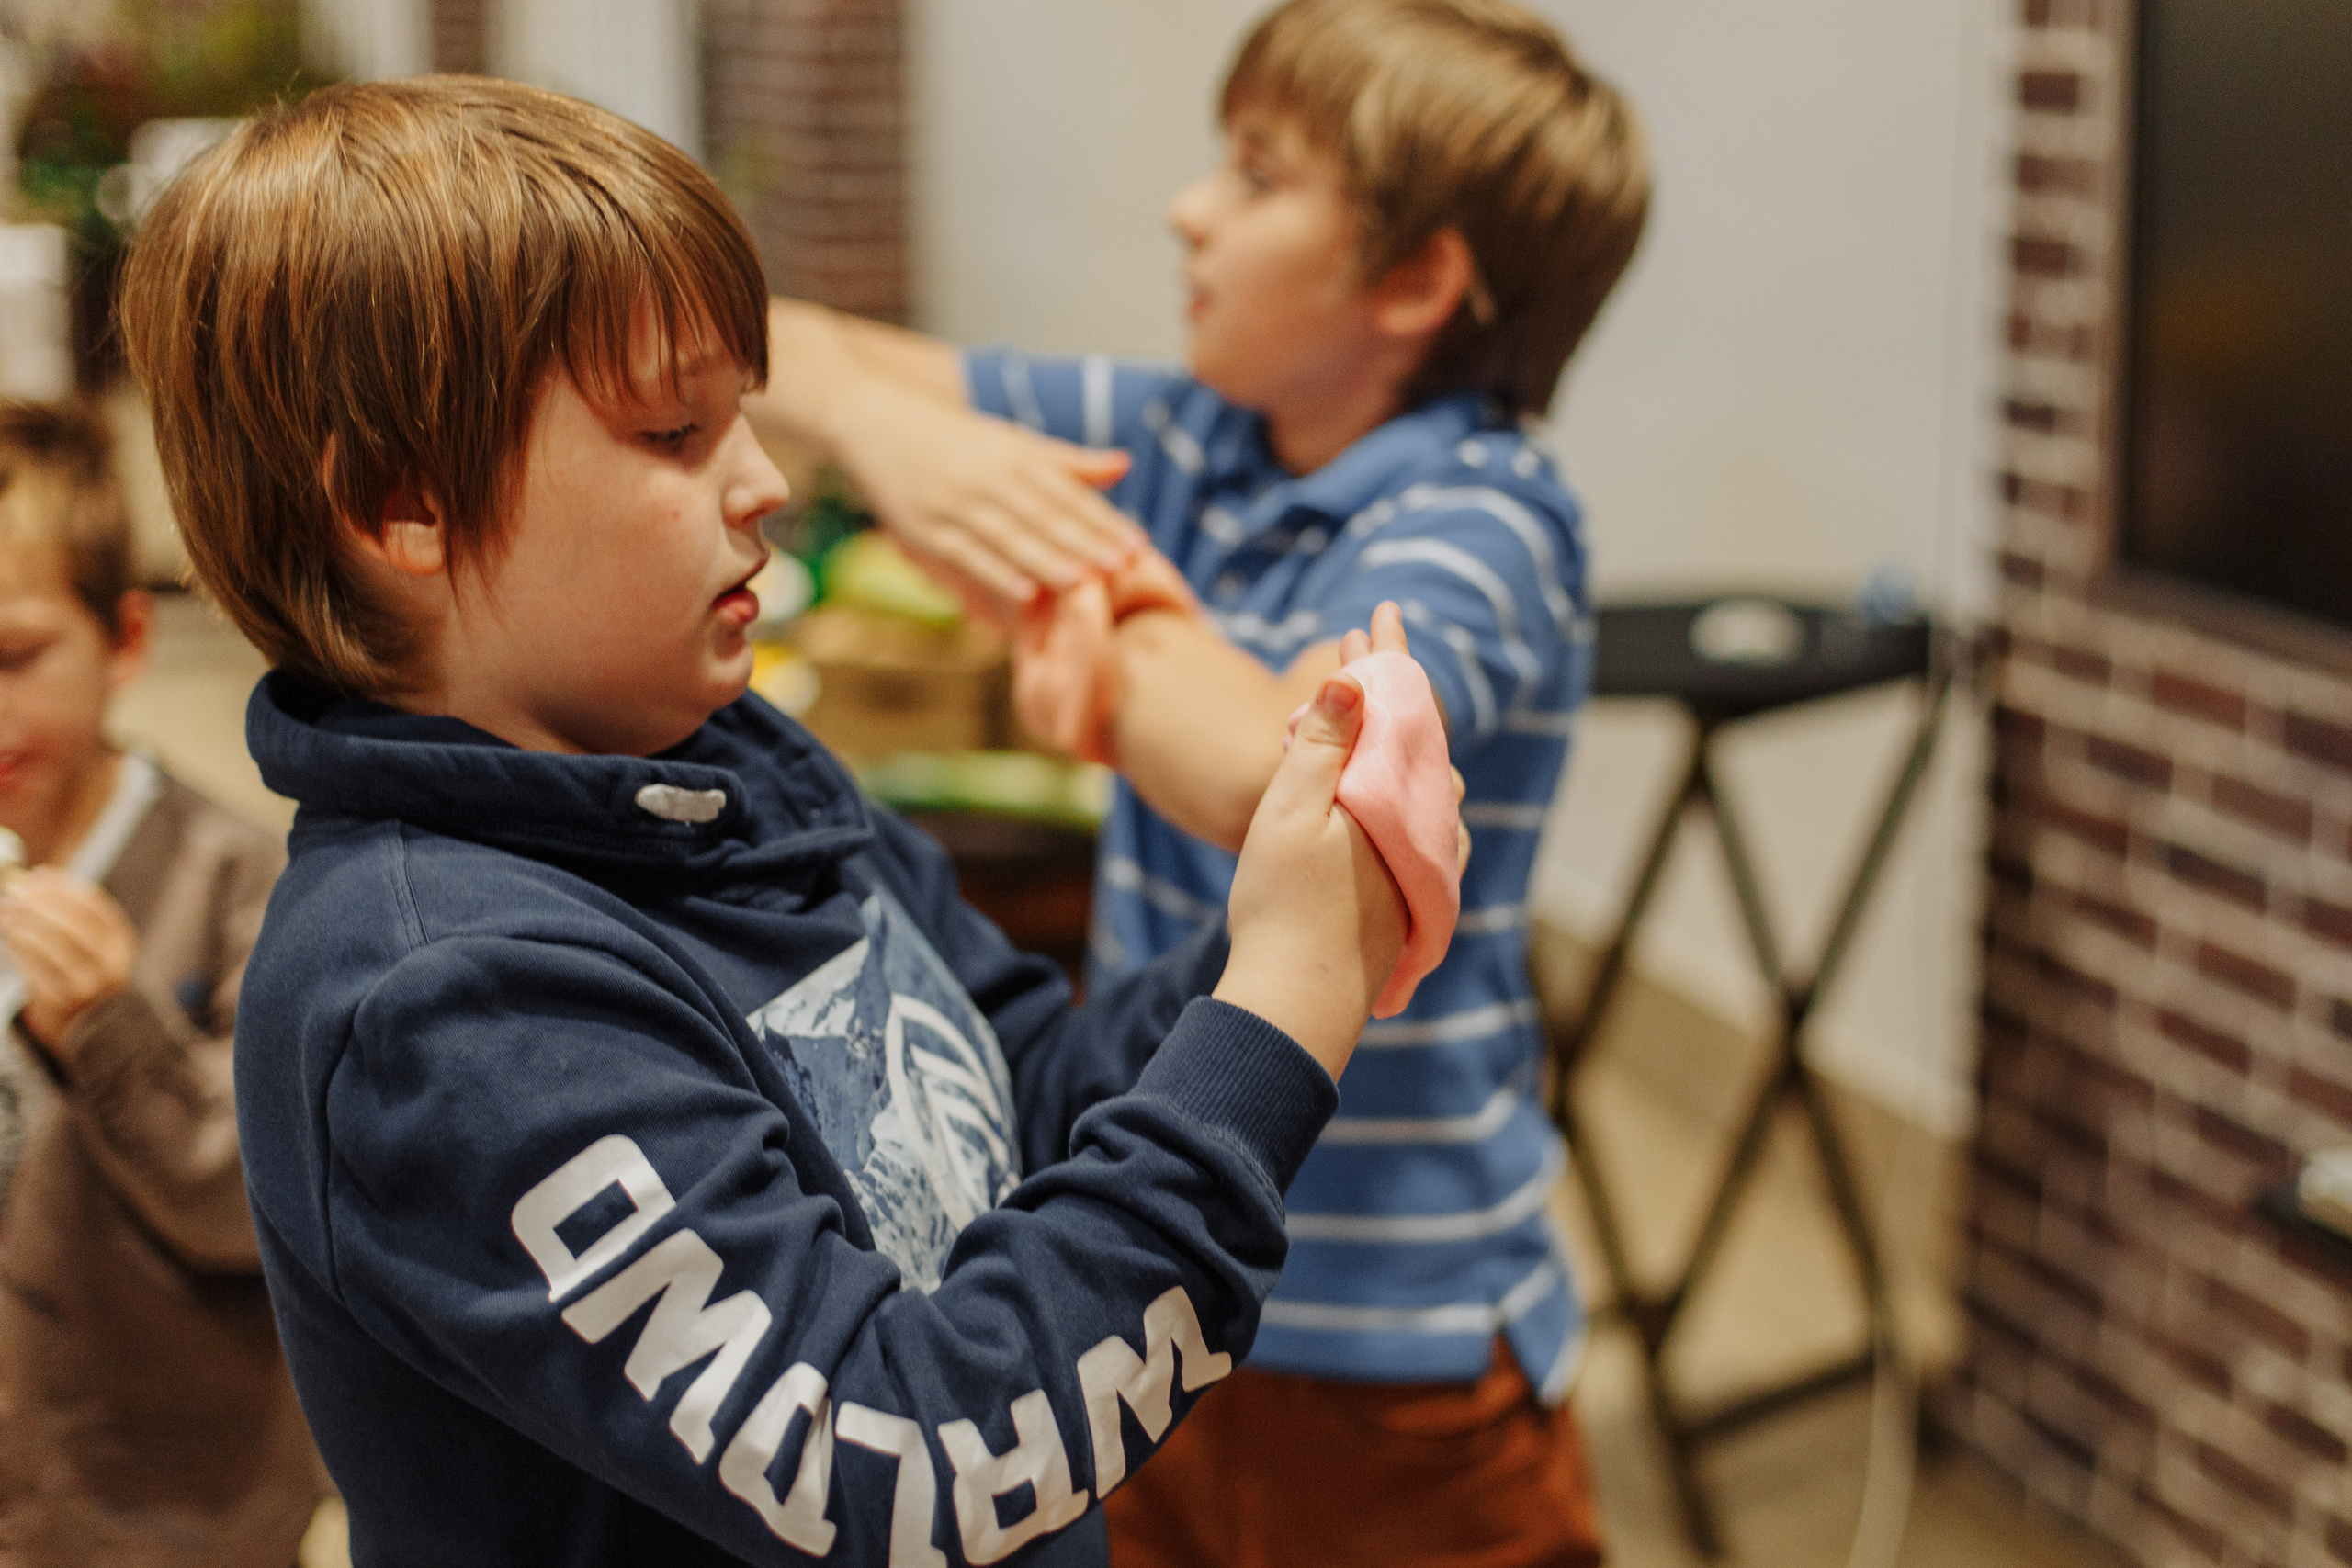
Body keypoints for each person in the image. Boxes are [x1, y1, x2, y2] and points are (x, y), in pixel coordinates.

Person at [115, 75, 1439, 1568]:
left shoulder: (725, 760)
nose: (765, 482)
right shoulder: (443, 996)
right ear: (403, 506)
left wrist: (1282, 925)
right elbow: (917, 1457)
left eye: (743, 414)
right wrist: (1286, 1002)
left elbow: (1038, 1094)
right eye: (675, 431)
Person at [749, 2, 1650, 1561]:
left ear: (1418, 279)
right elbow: (772, 345)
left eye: (1257, 172)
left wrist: (1082, 622)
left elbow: (1299, 771)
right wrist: (904, 442)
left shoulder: (1490, 513)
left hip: (1395, 1351)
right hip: (1163, 1284)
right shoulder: (1199, 437)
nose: (1191, 206)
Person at [0, 400, 326, 1566]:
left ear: (124, 640)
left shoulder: (239, 878)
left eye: (17, 656)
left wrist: (106, 1028)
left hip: (169, 1521)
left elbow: (256, 1205)